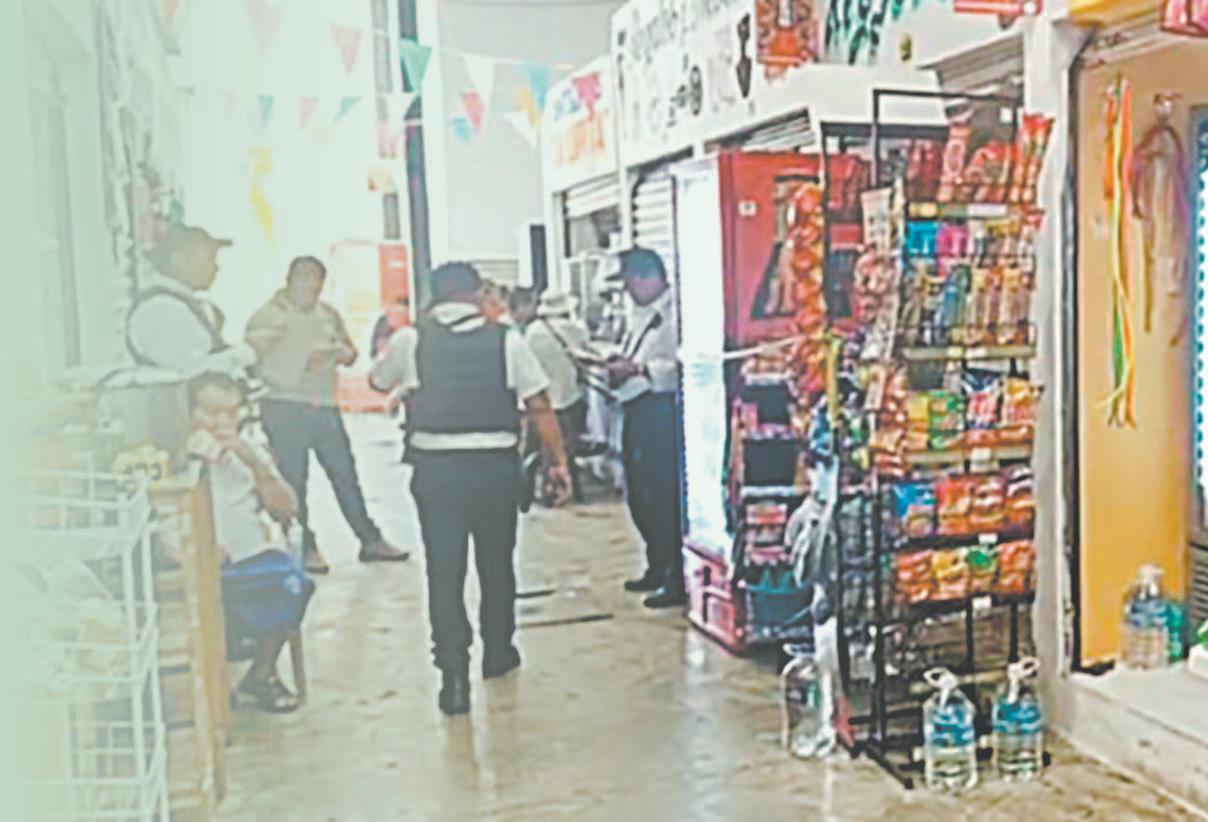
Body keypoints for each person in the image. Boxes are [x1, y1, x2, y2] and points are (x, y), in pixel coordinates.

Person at [370, 262, 572, 716]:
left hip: (435, 469)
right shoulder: (507, 340)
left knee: (445, 570)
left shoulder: (410, 340)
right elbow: (539, 403)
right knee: (496, 562)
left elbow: (377, 381)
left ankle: (453, 676)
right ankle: (498, 651)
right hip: (494, 468)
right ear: (476, 294)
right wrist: (557, 461)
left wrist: (408, 383)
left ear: (434, 296)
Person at [245, 256, 408, 574]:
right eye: (304, 280)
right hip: (284, 404)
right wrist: (297, 360)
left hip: (323, 403)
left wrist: (341, 353)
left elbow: (350, 351)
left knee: (344, 473)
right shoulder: (268, 316)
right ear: (290, 280)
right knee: (294, 478)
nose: (310, 287)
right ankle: (305, 544)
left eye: (316, 281)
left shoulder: (328, 314)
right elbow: (253, 358)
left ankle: (369, 539)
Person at [186, 371, 314, 713]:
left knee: (293, 584)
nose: (221, 423)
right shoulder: (178, 457)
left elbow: (287, 510)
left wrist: (255, 463)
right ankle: (213, 681)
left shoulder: (248, 455)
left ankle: (262, 672)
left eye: (231, 413)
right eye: (211, 412)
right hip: (198, 560)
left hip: (252, 556)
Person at [607, 248, 686, 609]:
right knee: (639, 493)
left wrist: (639, 369)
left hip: (661, 410)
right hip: (635, 406)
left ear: (649, 277)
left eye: (631, 282)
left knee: (663, 494)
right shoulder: (639, 315)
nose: (628, 290)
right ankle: (656, 563)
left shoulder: (676, 313)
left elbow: (677, 366)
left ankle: (674, 574)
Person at [126, 222, 257, 375]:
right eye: (209, 258)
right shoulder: (159, 310)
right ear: (178, 259)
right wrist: (250, 352)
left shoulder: (176, 305)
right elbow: (196, 371)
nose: (216, 268)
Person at [525, 291, 591, 497]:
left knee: (541, 446)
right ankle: (572, 487)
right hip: (570, 396)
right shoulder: (576, 329)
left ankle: (541, 487)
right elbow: (587, 353)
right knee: (568, 445)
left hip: (543, 399)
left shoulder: (533, 331)